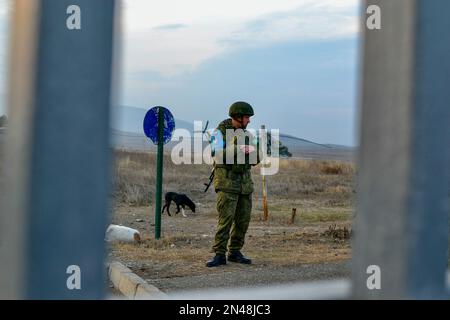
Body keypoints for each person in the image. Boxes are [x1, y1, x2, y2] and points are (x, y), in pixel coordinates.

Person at [206, 101, 261, 267]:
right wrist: (238, 148)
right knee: (225, 220)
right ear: (238, 117)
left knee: (243, 221)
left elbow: (257, 158)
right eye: (247, 117)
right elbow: (217, 154)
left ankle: (235, 252)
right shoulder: (218, 133)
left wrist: (252, 152)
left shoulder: (248, 135)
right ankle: (219, 254)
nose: (249, 121)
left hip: (244, 185)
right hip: (227, 183)